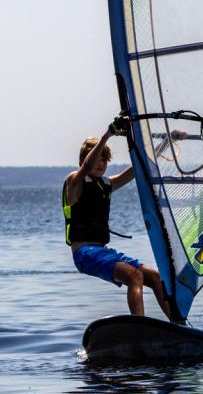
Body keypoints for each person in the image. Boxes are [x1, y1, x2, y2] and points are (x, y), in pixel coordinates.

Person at [63, 120, 185, 322]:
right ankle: (140, 327)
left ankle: (178, 325)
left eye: (105, 160)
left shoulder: (106, 184)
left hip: (102, 251)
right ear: (85, 160)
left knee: (154, 277)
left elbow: (139, 167)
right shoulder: (74, 181)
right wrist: (107, 135)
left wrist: (167, 140)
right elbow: (86, 168)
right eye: (97, 159)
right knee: (134, 276)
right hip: (84, 253)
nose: (101, 164)